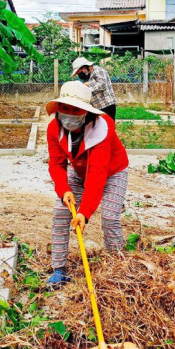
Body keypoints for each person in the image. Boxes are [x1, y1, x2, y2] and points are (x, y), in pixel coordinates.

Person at [45, 81, 129, 288]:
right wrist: (64, 190)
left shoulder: (103, 128)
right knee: (60, 212)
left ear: (85, 112)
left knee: (109, 216)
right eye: (64, 108)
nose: (68, 114)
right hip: (78, 171)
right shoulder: (54, 128)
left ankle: (118, 266)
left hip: (112, 172)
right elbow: (56, 164)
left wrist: (85, 212)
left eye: (75, 110)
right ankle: (59, 269)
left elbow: (97, 175)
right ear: (58, 108)